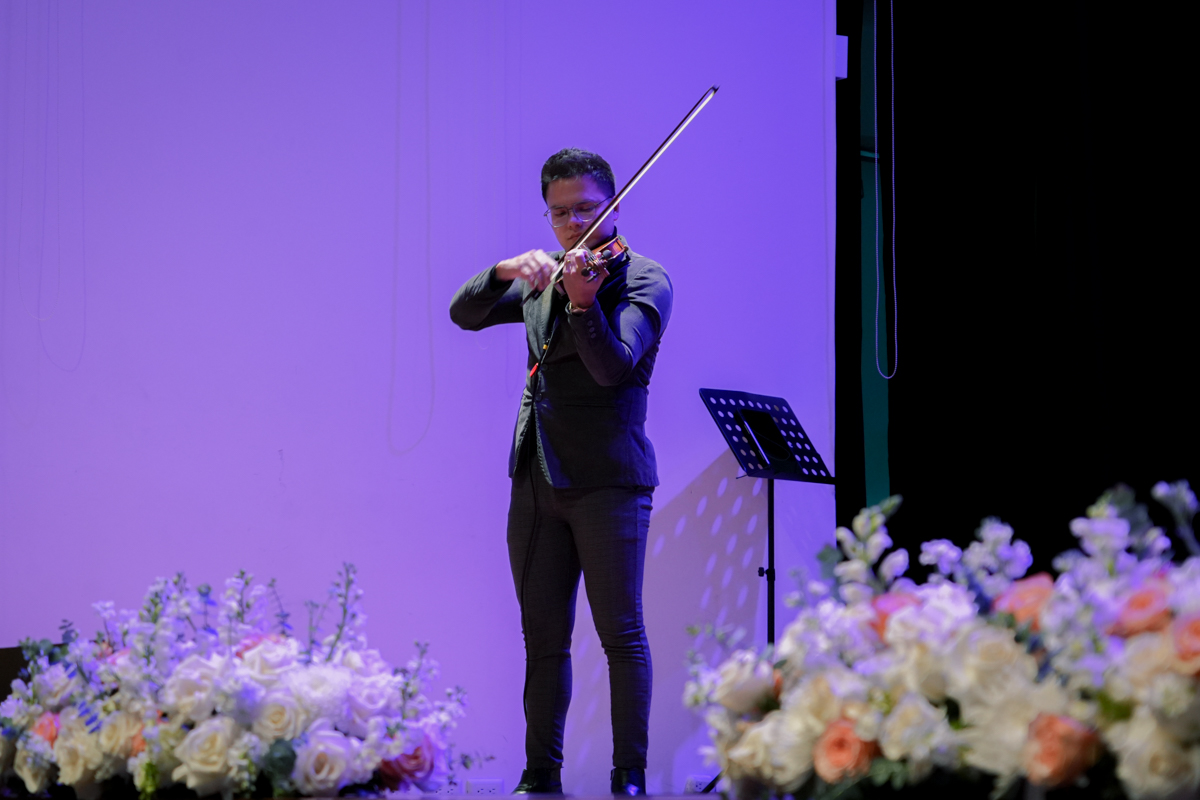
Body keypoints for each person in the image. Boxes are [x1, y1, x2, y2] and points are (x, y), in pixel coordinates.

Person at [449, 148, 673, 796]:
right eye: (560, 213)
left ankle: (628, 777)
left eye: (586, 209)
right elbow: (464, 314)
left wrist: (582, 306)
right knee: (542, 638)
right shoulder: (546, 276)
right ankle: (539, 775)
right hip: (537, 477)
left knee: (620, 635)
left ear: (615, 205)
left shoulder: (643, 279)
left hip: (608, 481)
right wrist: (502, 270)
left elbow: (613, 368)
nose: (574, 223)